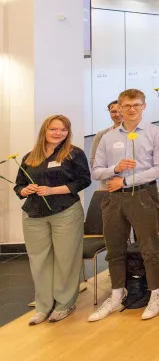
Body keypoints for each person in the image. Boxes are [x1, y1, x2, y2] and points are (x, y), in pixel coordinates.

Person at [89, 89, 159, 322]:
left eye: (136, 105)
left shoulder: (155, 133)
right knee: (114, 248)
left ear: (144, 106)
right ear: (119, 108)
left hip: (143, 194)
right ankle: (116, 294)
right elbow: (96, 171)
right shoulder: (108, 137)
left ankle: (155, 293)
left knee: (149, 248)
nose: (131, 109)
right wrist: (115, 169)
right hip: (113, 197)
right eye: (127, 106)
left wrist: (126, 180)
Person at [15, 115, 90, 325]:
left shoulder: (74, 153)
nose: (58, 133)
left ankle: (64, 304)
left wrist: (52, 190)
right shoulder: (30, 156)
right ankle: (43, 306)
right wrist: (24, 190)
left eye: (63, 130)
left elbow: (84, 180)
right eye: (54, 129)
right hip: (33, 214)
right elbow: (19, 185)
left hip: (65, 211)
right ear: (44, 131)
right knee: (39, 261)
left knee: (66, 259)